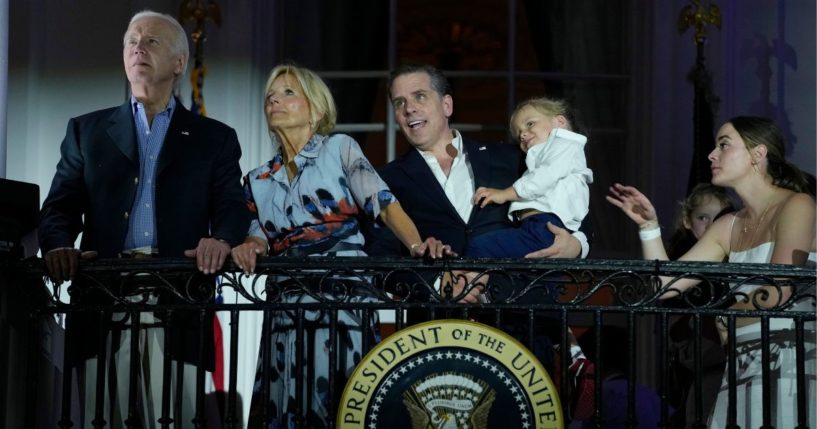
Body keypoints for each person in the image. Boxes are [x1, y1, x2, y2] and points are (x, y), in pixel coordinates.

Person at [37, 10, 250, 427]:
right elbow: (58, 207)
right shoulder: (86, 130)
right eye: (131, 41)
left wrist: (221, 239)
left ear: (178, 63)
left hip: (180, 300)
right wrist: (59, 244)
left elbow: (231, 206)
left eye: (151, 41)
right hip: (102, 300)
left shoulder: (215, 138)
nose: (138, 47)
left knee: (177, 419)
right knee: (102, 419)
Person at [230, 64, 448, 428]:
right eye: (271, 94)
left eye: (287, 93)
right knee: (285, 407)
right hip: (286, 307)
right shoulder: (256, 179)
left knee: (342, 404)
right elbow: (256, 234)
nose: (274, 99)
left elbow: (383, 203)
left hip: (343, 300)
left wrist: (415, 244)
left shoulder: (339, 149)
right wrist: (249, 245)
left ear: (315, 109)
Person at [607, 116, 816, 428]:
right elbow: (665, 285)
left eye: (724, 145)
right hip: (743, 360)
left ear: (758, 154)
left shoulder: (798, 204)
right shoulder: (728, 224)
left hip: (790, 357)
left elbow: (778, 290)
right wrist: (649, 228)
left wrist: (723, 316)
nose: (711, 154)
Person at [466, 96, 592, 258]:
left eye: (530, 124)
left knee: (479, 247)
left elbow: (544, 177)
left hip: (545, 227)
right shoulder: (544, 157)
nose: (523, 135)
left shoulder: (566, 145)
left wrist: (504, 194)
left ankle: (466, 284)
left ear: (560, 122)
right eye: (519, 135)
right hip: (537, 227)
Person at [667, 183, 735, 259]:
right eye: (703, 218)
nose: (711, 226)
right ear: (687, 221)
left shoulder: (735, 252)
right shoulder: (678, 253)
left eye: (719, 219)